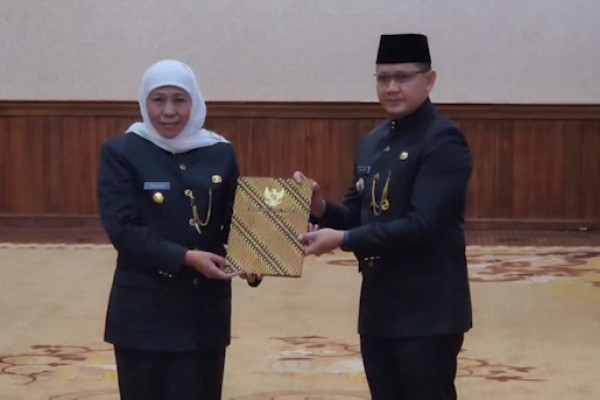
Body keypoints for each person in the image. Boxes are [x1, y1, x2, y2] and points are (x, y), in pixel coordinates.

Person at [295, 34, 472, 400]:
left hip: (428, 309)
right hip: (379, 305)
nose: (391, 87)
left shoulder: (443, 141)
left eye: (402, 77)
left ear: (429, 80)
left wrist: (343, 240)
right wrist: (320, 207)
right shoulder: (374, 141)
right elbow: (356, 214)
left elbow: (423, 226)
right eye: (383, 78)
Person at [97, 59, 260, 400]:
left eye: (179, 100)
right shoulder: (122, 152)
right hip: (144, 313)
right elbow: (123, 230)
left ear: (194, 102)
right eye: (158, 100)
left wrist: (257, 256)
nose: (169, 111)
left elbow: (234, 222)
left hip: (204, 313)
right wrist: (185, 257)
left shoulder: (219, 152)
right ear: (144, 102)